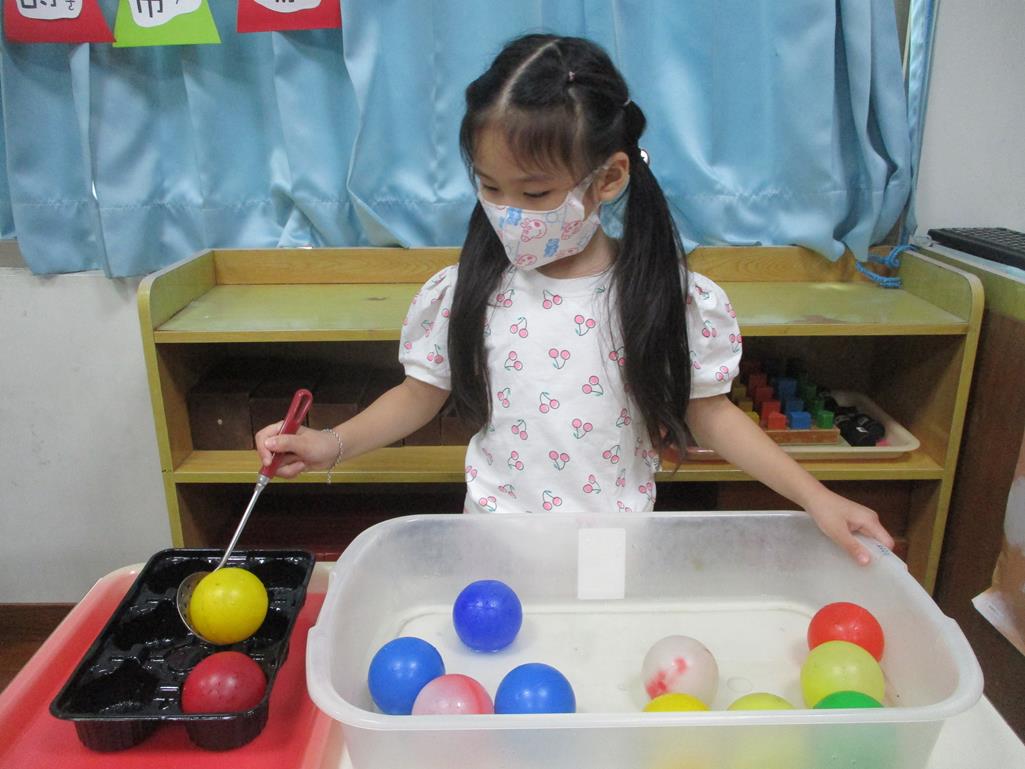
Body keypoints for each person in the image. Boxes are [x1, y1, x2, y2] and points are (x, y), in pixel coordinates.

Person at [255, 34, 894, 565]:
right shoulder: (467, 288)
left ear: (608, 178)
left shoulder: (662, 297)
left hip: (610, 547)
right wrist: (330, 443)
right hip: (493, 537)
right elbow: (420, 394)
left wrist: (817, 497)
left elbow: (711, 415)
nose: (508, 212)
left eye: (534, 194)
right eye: (490, 187)